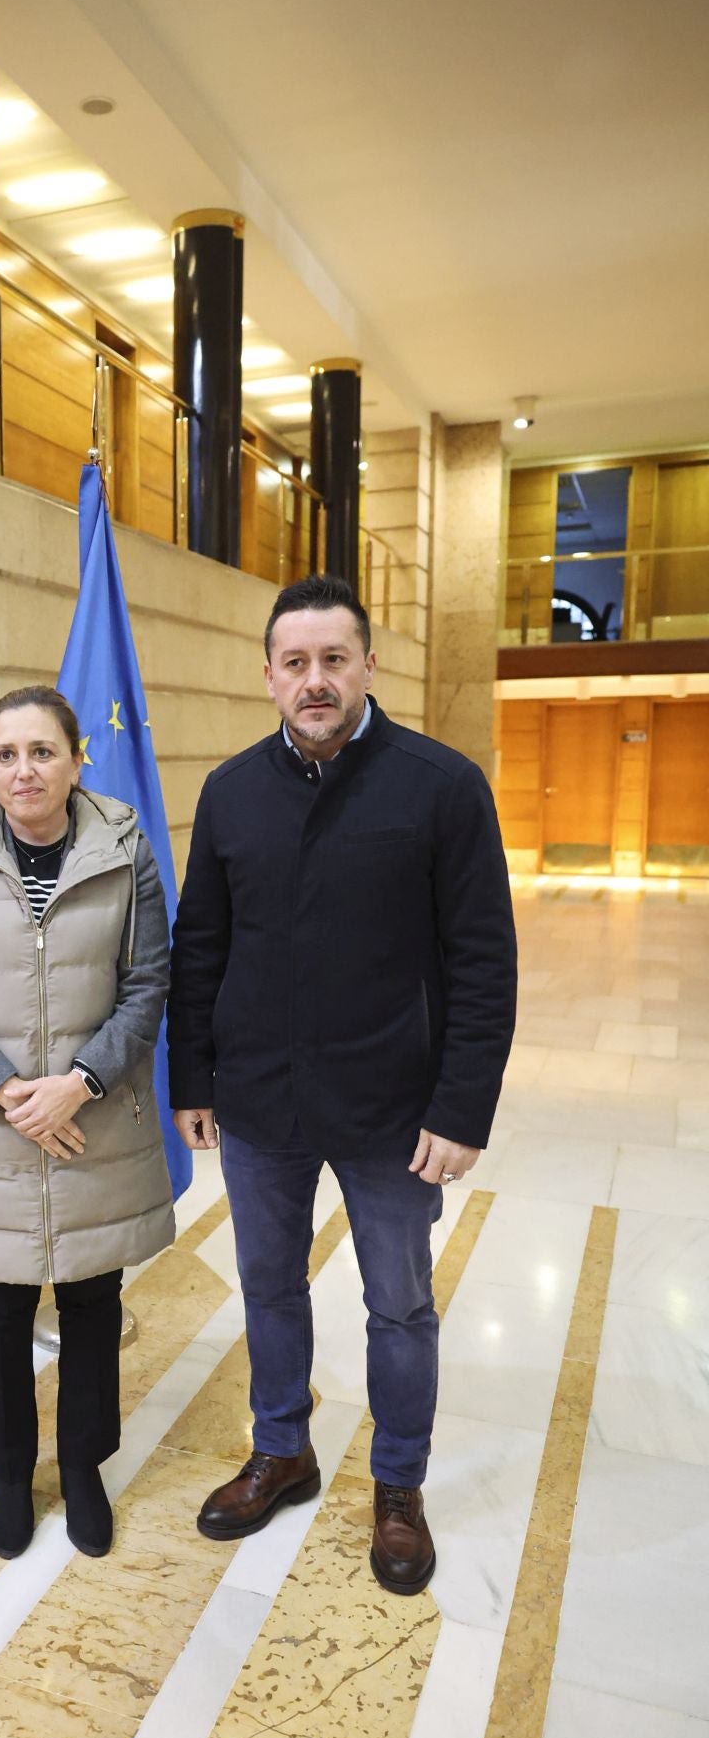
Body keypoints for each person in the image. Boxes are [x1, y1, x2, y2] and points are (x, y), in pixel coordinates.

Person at [169, 574, 516, 1594]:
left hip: (391, 1109)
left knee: (398, 1306)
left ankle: (397, 1485)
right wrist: (192, 1077)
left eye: (332, 659)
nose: (312, 680)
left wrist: (460, 1110)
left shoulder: (440, 786)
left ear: (367, 665)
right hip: (258, 1102)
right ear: (267, 675)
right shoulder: (229, 791)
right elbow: (199, 949)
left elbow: (480, 962)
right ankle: (281, 1448)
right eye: (294, 662)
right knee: (268, 1285)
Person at [0, 686, 174, 1561]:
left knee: (95, 1299)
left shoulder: (124, 846)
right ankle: (10, 1469)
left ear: (74, 759)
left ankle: (85, 1465)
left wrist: (81, 1081)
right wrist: (8, 1091)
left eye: (42, 751)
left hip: (92, 1118)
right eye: (6, 755)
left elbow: (147, 982)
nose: (25, 770)